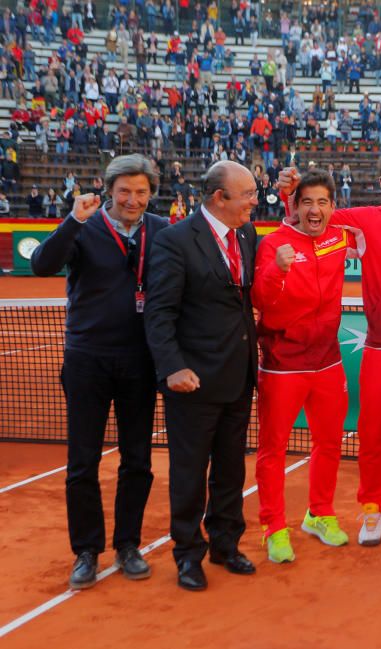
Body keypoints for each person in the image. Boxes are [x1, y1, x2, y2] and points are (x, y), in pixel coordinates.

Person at [276, 151, 381, 546]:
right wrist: (290, 192)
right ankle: (373, 510)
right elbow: (310, 217)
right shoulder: (363, 219)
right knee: (371, 436)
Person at [30, 155, 167, 591]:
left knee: (138, 460)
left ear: (151, 193)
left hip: (141, 361)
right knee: (82, 462)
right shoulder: (85, 226)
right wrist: (72, 219)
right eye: (124, 190)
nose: (132, 199)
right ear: (109, 189)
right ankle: (86, 551)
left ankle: (128, 545)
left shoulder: (161, 231)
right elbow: (42, 265)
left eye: (141, 191)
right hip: (88, 359)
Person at [144, 161, 259, 592]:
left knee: (230, 469)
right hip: (192, 380)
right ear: (219, 198)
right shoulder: (175, 241)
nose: (254, 200)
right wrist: (173, 367)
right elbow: (159, 312)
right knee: (190, 473)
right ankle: (187, 553)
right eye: (247, 193)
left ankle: (226, 544)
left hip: (238, 374)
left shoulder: (246, 234)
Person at [252, 171, 352, 563]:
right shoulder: (274, 244)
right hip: (282, 363)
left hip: (328, 360)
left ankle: (319, 513)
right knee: (273, 449)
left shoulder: (340, 237)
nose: (316, 209)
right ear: (295, 207)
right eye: (307, 202)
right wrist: (278, 267)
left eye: (323, 202)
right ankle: (274, 527)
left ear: (332, 206)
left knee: (329, 443)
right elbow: (261, 297)